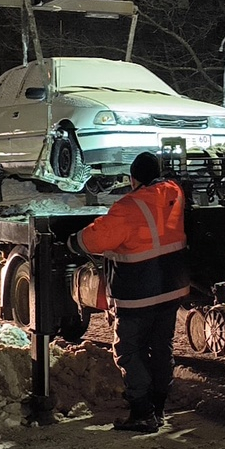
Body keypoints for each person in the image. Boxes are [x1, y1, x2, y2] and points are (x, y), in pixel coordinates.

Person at [67, 151, 189, 432]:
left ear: (134, 179)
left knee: (127, 350)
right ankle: (157, 408)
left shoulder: (129, 206)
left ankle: (142, 411)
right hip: (171, 287)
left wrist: (74, 241)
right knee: (161, 348)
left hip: (138, 291)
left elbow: (98, 238)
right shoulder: (174, 193)